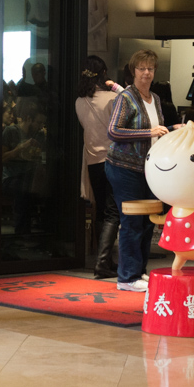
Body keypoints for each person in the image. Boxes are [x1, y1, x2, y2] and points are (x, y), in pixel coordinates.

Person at [104, 48, 168, 293]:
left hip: (148, 169)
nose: (146, 73)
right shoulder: (126, 97)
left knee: (147, 222)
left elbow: (156, 128)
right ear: (133, 72)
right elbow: (114, 131)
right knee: (131, 222)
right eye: (141, 68)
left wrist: (172, 127)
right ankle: (127, 277)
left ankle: (139, 271)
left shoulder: (155, 98)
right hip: (123, 167)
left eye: (150, 68)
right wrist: (149, 132)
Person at [76, 55, 121, 281]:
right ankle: (102, 262)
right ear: (103, 74)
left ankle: (105, 259)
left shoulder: (79, 101)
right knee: (114, 211)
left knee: (102, 209)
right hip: (113, 159)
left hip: (92, 161)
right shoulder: (113, 99)